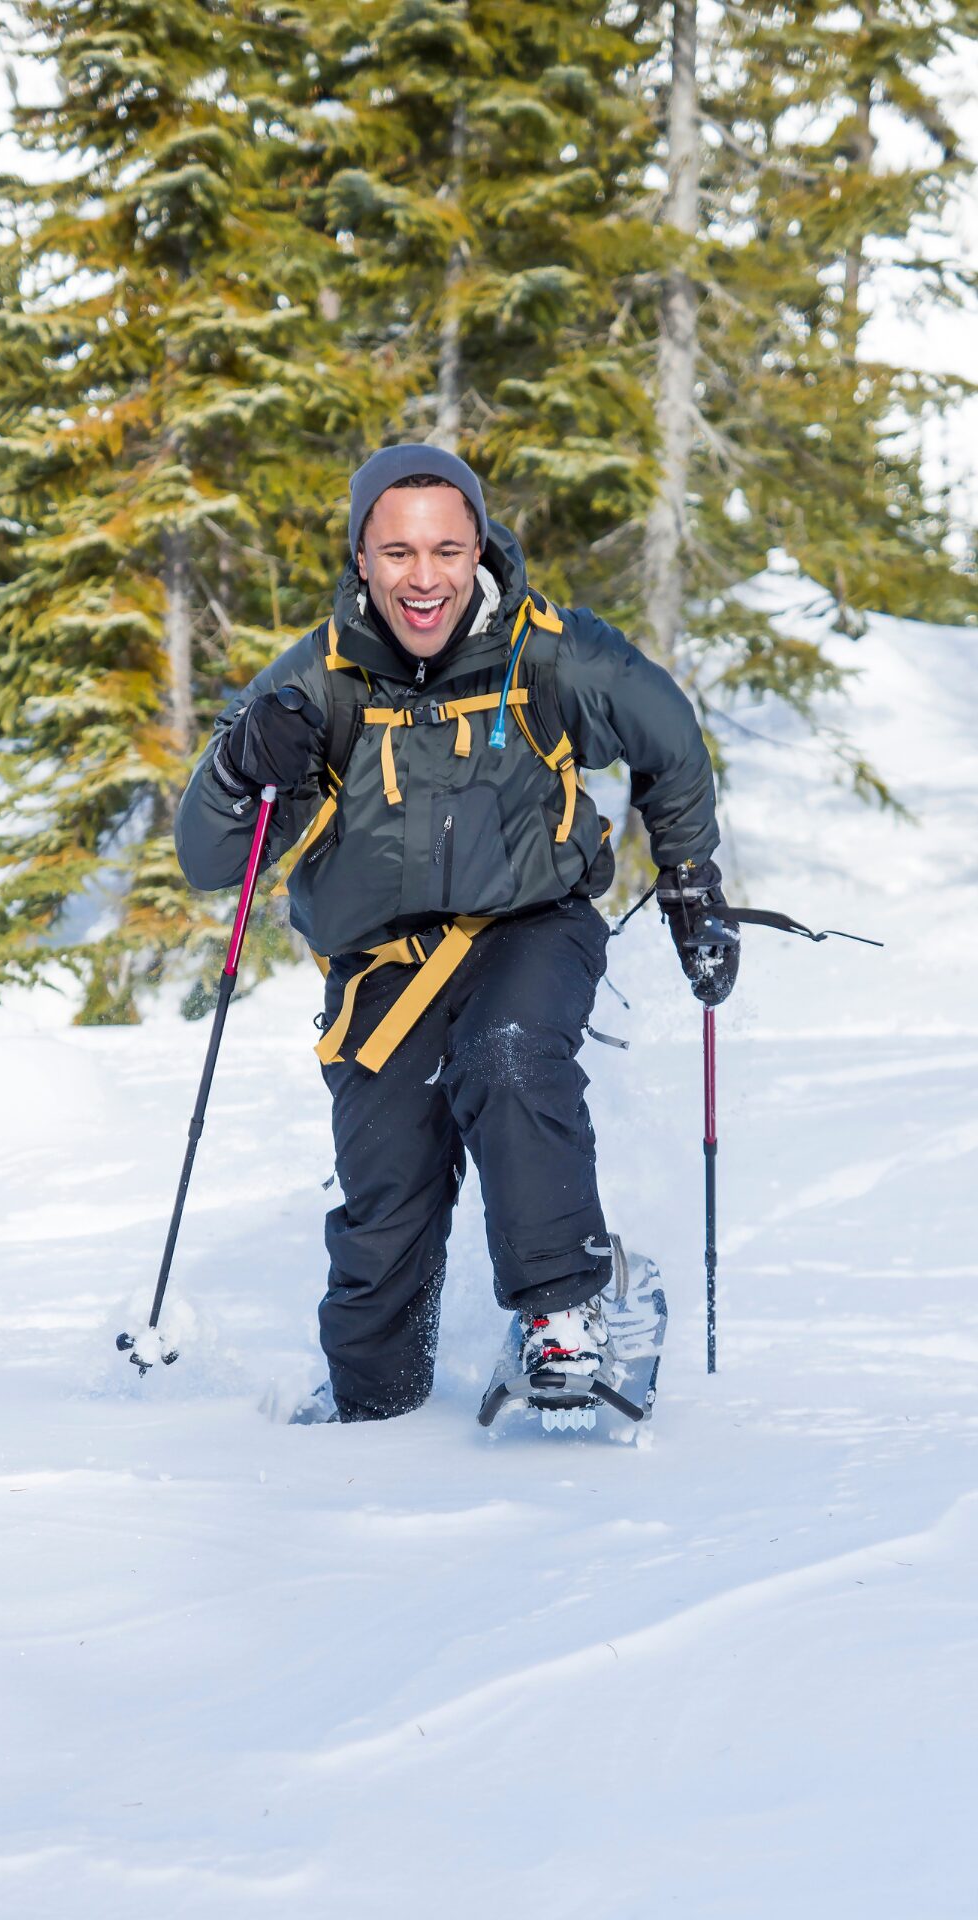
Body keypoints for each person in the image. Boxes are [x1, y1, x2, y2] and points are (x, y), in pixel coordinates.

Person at [175, 445, 738, 1422]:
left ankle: (570, 1311)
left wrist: (690, 876)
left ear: (480, 545)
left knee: (508, 1055)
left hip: (533, 922)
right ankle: (369, 1410)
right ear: (361, 558)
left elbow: (668, 734)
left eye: (446, 547)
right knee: (385, 1201)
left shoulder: (546, 650)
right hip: (386, 968)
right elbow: (209, 859)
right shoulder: (321, 678)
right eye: (396, 552)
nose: (423, 576)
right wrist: (236, 768)